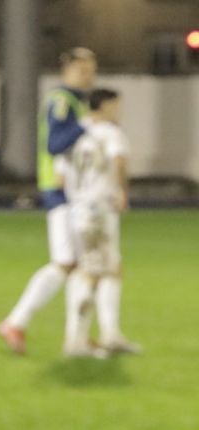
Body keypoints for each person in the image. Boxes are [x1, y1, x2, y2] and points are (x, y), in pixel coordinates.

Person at [0, 46, 97, 354]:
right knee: (69, 263)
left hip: (74, 191)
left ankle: (74, 337)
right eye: (82, 70)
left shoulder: (77, 102)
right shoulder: (62, 101)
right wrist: (86, 125)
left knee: (76, 265)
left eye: (91, 70)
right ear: (66, 70)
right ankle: (18, 322)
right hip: (61, 190)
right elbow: (55, 144)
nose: (88, 76)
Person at [61, 88, 139, 358]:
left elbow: (61, 175)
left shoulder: (74, 134)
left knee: (111, 269)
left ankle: (110, 334)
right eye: (116, 106)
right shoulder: (110, 132)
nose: (119, 111)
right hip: (99, 210)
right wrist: (122, 191)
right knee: (90, 274)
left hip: (77, 209)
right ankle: (76, 341)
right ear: (105, 106)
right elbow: (119, 159)